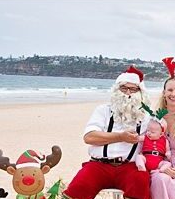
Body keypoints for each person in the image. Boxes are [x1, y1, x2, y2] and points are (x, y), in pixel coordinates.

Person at [61, 67, 150, 199]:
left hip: (129, 167)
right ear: (116, 90)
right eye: (124, 88)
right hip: (98, 165)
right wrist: (120, 137)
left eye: (133, 89)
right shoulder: (103, 110)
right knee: (78, 188)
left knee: (141, 181)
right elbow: (89, 137)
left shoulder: (146, 116)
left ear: (140, 92)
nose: (128, 93)